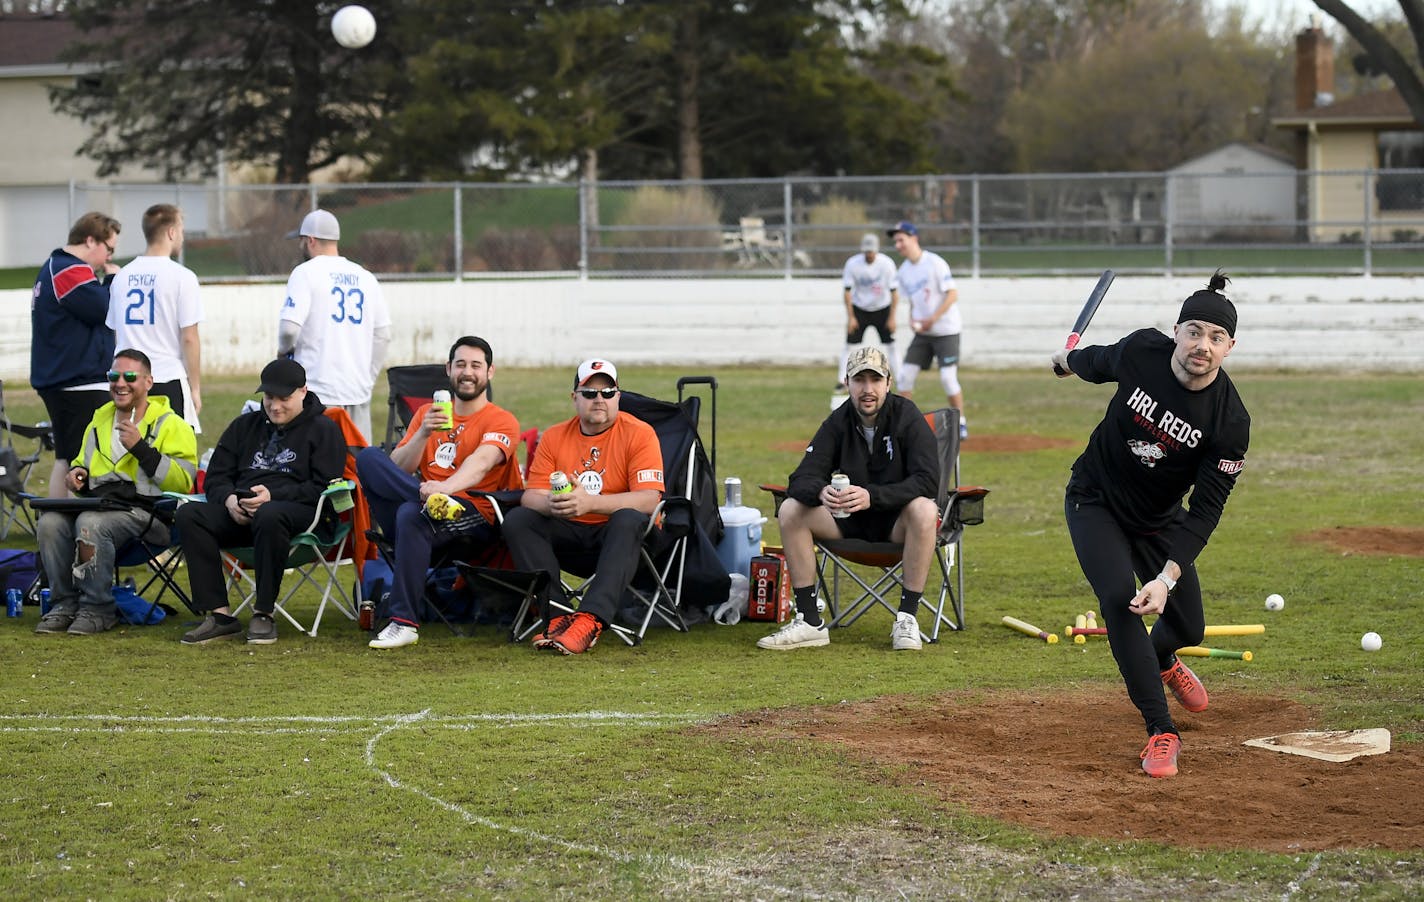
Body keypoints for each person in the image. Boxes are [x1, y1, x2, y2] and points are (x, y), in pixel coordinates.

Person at [1052, 271, 1250, 779]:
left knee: (1188, 626)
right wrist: (1067, 361)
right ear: (1177, 331)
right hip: (1095, 498)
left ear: (1230, 346)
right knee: (1120, 599)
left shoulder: (1229, 422)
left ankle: (1163, 659)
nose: (1201, 346)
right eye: (1194, 331)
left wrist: (1165, 578)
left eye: (1216, 337)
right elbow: (1096, 361)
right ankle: (1162, 732)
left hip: (1159, 518)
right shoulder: (1143, 350)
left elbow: (1206, 510)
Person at [756, 346, 939, 652]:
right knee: (791, 509)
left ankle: (906, 618)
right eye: (859, 380)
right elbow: (801, 478)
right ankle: (810, 621)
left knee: (925, 508)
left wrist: (873, 496)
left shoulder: (907, 416)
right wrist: (820, 491)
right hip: (848, 522)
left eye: (875, 380)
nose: (868, 389)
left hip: (896, 523)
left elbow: (928, 481)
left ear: (888, 383)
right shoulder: (838, 421)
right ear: (847, 383)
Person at [357, 336, 524, 649]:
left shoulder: (501, 420)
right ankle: (428, 500)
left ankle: (403, 623)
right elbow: (396, 469)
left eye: (476, 365)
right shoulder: (426, 416)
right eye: (460, 364)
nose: (467, 372)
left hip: (472, 516)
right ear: (449, 369)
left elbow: (482, 461)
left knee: (412, 514)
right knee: (368, 458)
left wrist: (446, 489)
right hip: (425, 505)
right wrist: (422, 433)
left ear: (490, 372)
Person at [176, 358, 346, 646]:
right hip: (242, 515)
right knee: (189, 514)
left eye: (284, 398)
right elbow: (216, 477)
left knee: (270, 513)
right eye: (269, 397)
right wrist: (230, 501)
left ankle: (264, 613)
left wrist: (274, 497)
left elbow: (324, 486)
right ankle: (219, 615)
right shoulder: (244, 426)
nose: (275, 406)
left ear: (303, 392)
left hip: (301, 517)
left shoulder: (324, 429)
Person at [500, 359, 664, 655]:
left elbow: (650, 499)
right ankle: (557, 614)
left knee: (628, 517)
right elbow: (531, 496)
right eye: (589, 392)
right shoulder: (554, 436)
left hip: (624, 543)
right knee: (519, 518)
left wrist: (590, 503)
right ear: (574, 397)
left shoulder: (640, 433)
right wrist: (555, 503)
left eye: (607, 392)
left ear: (618, 396)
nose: (598, 399)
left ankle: (590, 619)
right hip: (570, 535)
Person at [33, 349, 198, 636]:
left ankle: (97, 609)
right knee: (50, 522)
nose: (120, 383)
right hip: (101, 507)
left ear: (148, 382)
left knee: (90, 523)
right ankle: (64, 605)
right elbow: (82, 465)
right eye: (114, 376)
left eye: (130, 376)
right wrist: (78, 478)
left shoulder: (171, 424)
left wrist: (141, 449)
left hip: (150, 518)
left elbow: (184, 482)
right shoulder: (99, 420)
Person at [278, 209, 391, 444]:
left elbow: (289, 330)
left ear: (310, 240)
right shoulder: (366, 277)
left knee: (315, 466)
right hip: (357, 389)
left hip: (316, 390)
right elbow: (383, 336)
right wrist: (367, 377)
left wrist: (282, 357)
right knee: (357, 467)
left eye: (301, 241)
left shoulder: (305, 273)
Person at [31, 212, 122, 498]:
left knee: (66, 457)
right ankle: (77, 534)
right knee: (84, 462)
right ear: (90, 240)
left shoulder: (53, 267)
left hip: (61, 378)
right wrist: (112, 282)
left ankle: (55, 531)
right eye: (109, 249)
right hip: (77, 381)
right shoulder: (70, 269)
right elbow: (104, 309)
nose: (108, 258)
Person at [108, 203, 204, 431]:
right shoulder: (183, 277)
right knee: (173, 455)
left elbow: (115, 330)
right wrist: (195, 388)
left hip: (128, 381)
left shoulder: (122, 277)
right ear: (171, 232)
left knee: (129, 451)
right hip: (167, 377)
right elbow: (189, 337)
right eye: (180, 230)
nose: (181, 237)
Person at [888, 221, 968, 440]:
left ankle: (961, 423)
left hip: (946, 330)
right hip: (923, 333)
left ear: (914, 238)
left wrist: (933, 318)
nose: (898, 245)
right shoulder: (903, 271)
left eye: (901, 240)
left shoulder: (934, 263)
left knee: (947, 378)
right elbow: (912, 301)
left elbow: (952, 295)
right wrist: (912, 318)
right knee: (904, 377)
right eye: (895, 241)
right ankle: (907, 424)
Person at [836, 233, 899, 391]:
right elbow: (847, 291)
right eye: (866, 251)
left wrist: (892, 317)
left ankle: (900, 379)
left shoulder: (886, 264)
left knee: (891, 345)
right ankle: (842, 380)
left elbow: (894, 292)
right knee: (849, 345)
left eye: (871, 251)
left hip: (882, 308)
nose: (869, 254)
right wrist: (851, 317)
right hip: (860, 309)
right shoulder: (853, 264)